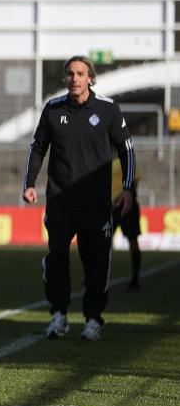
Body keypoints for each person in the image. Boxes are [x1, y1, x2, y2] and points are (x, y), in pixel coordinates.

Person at [23, 55, 135, 341]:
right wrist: (30, 183)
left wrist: (128, 187)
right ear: (66, 78)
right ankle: (59, 316)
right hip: (60, 201)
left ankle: (93, 320)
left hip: (97, 204)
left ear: (90, 78)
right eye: (70, 74)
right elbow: (38, 148)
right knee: (57, 259)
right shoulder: (52, 109)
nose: (75, 78)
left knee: (96, 263)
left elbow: (127, 150)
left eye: (80, 73)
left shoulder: (109, 110)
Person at [112, 156, 142, 290]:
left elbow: (135, 181)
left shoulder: (127, 160)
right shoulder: (106, 163)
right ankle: (96, 277)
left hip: (127, 206)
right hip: (111, 208)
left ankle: (135, 278)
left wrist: (122, 196)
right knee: (101, 241)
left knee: (132, 240)